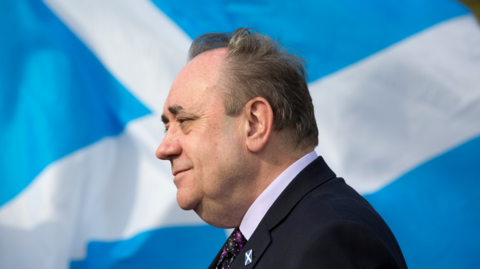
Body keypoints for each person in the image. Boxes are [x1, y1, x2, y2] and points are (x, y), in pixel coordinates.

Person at [156, 28, 408, 269]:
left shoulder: (327, 240)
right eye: (167, 127)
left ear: (254, 124)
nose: (163, 148)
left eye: (184, 121)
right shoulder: (287, 232)